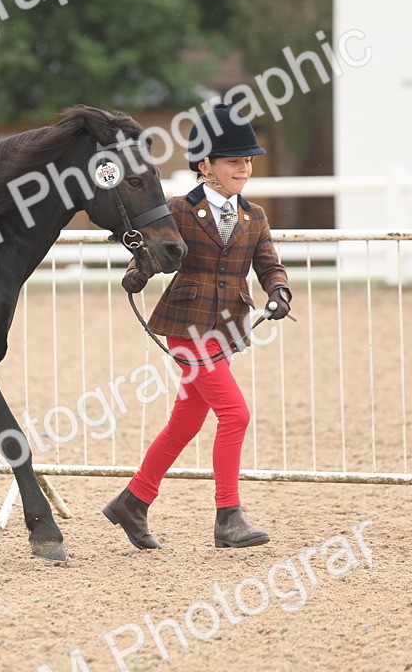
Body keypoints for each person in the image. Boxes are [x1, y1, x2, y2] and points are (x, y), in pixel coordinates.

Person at [102, 104, 291, 550]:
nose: (243, 167)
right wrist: (139, 272)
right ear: (205, 165)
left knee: (186, 421)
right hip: (185, 325)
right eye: (233, 160)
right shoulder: (179, 209)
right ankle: (228, 516)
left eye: (247, 160)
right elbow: (156, 248)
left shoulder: (255, 217)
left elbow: (268, 264)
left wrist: (279, 291)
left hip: (226, 326)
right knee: (235, 413)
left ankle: (134, 500)